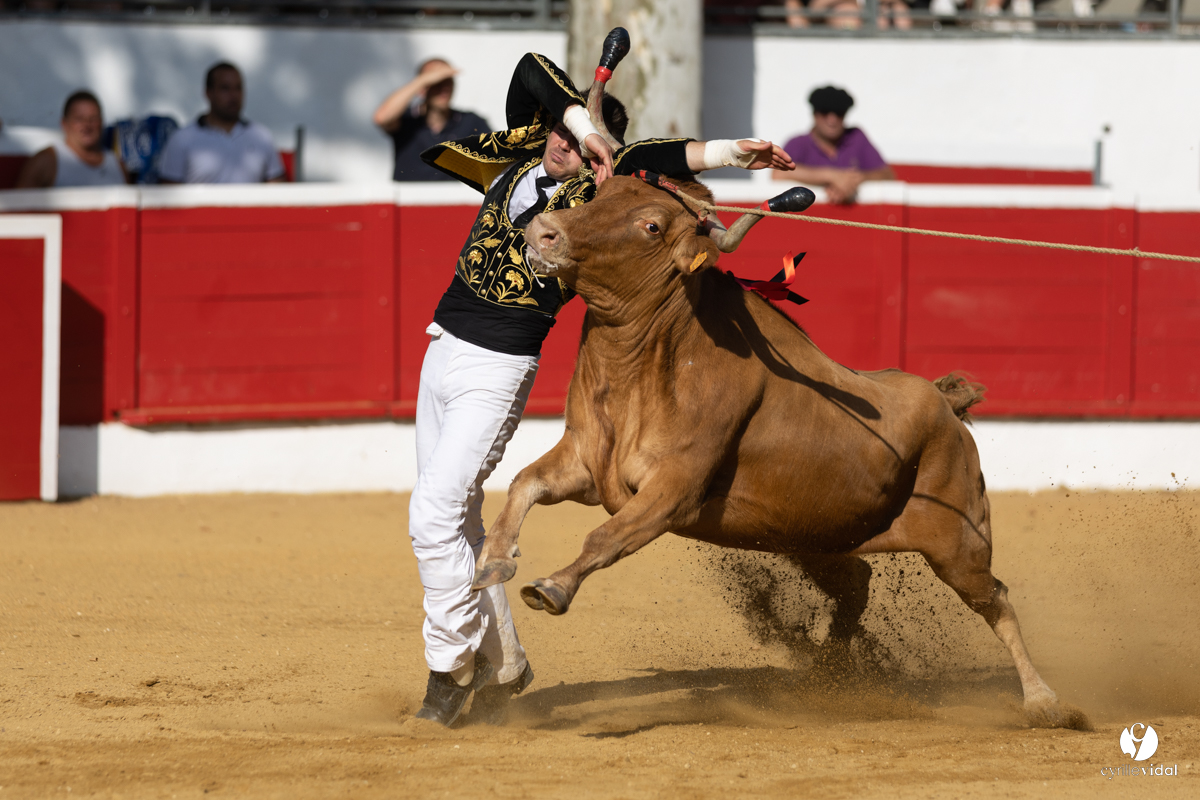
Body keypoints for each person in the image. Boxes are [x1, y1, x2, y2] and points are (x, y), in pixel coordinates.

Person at [406, 50, 794, 728]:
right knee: (459, 522)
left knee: (433, 515)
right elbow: (531, 68)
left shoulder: (601, 197)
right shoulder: (532, 148)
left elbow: (673, 154)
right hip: (441, 347)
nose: (560, 144)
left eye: (576, 142)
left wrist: (736, 150)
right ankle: (502, 665)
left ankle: (450, 669)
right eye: (558, 131)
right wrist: (580, 123)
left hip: (499, 366)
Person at [157, 62, 285, 184]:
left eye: (238, 88)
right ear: (208, 93)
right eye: (225, 88)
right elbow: (169, 197)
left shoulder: (262, 137)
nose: (234, 96)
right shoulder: (181, 139)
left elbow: (277, 191)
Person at [773, 85, 895, 205]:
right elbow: (778, 173)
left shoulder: (856, 137)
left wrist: (856, 179)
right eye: (825, 112)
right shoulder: (798, 143)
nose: (832, 120)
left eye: (839, 113)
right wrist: (831, 176)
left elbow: (887, 175)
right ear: (815, 114)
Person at [373, 58, 491, 181]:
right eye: (437, 81)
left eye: (448, 81)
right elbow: (381, 118)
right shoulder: (407, 119)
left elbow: (497, 158)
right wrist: (423, 80)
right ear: (422, 88)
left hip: (452, 199)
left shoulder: (469, 122)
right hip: (409, 199)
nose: (444, 88)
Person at [16, 90, 127, 189]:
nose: (86, 125)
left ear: (101, 122)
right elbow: (20, 206)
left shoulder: (118, 165)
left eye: (93, 118)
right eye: (79, 119)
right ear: (64, 124)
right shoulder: (47, 160)